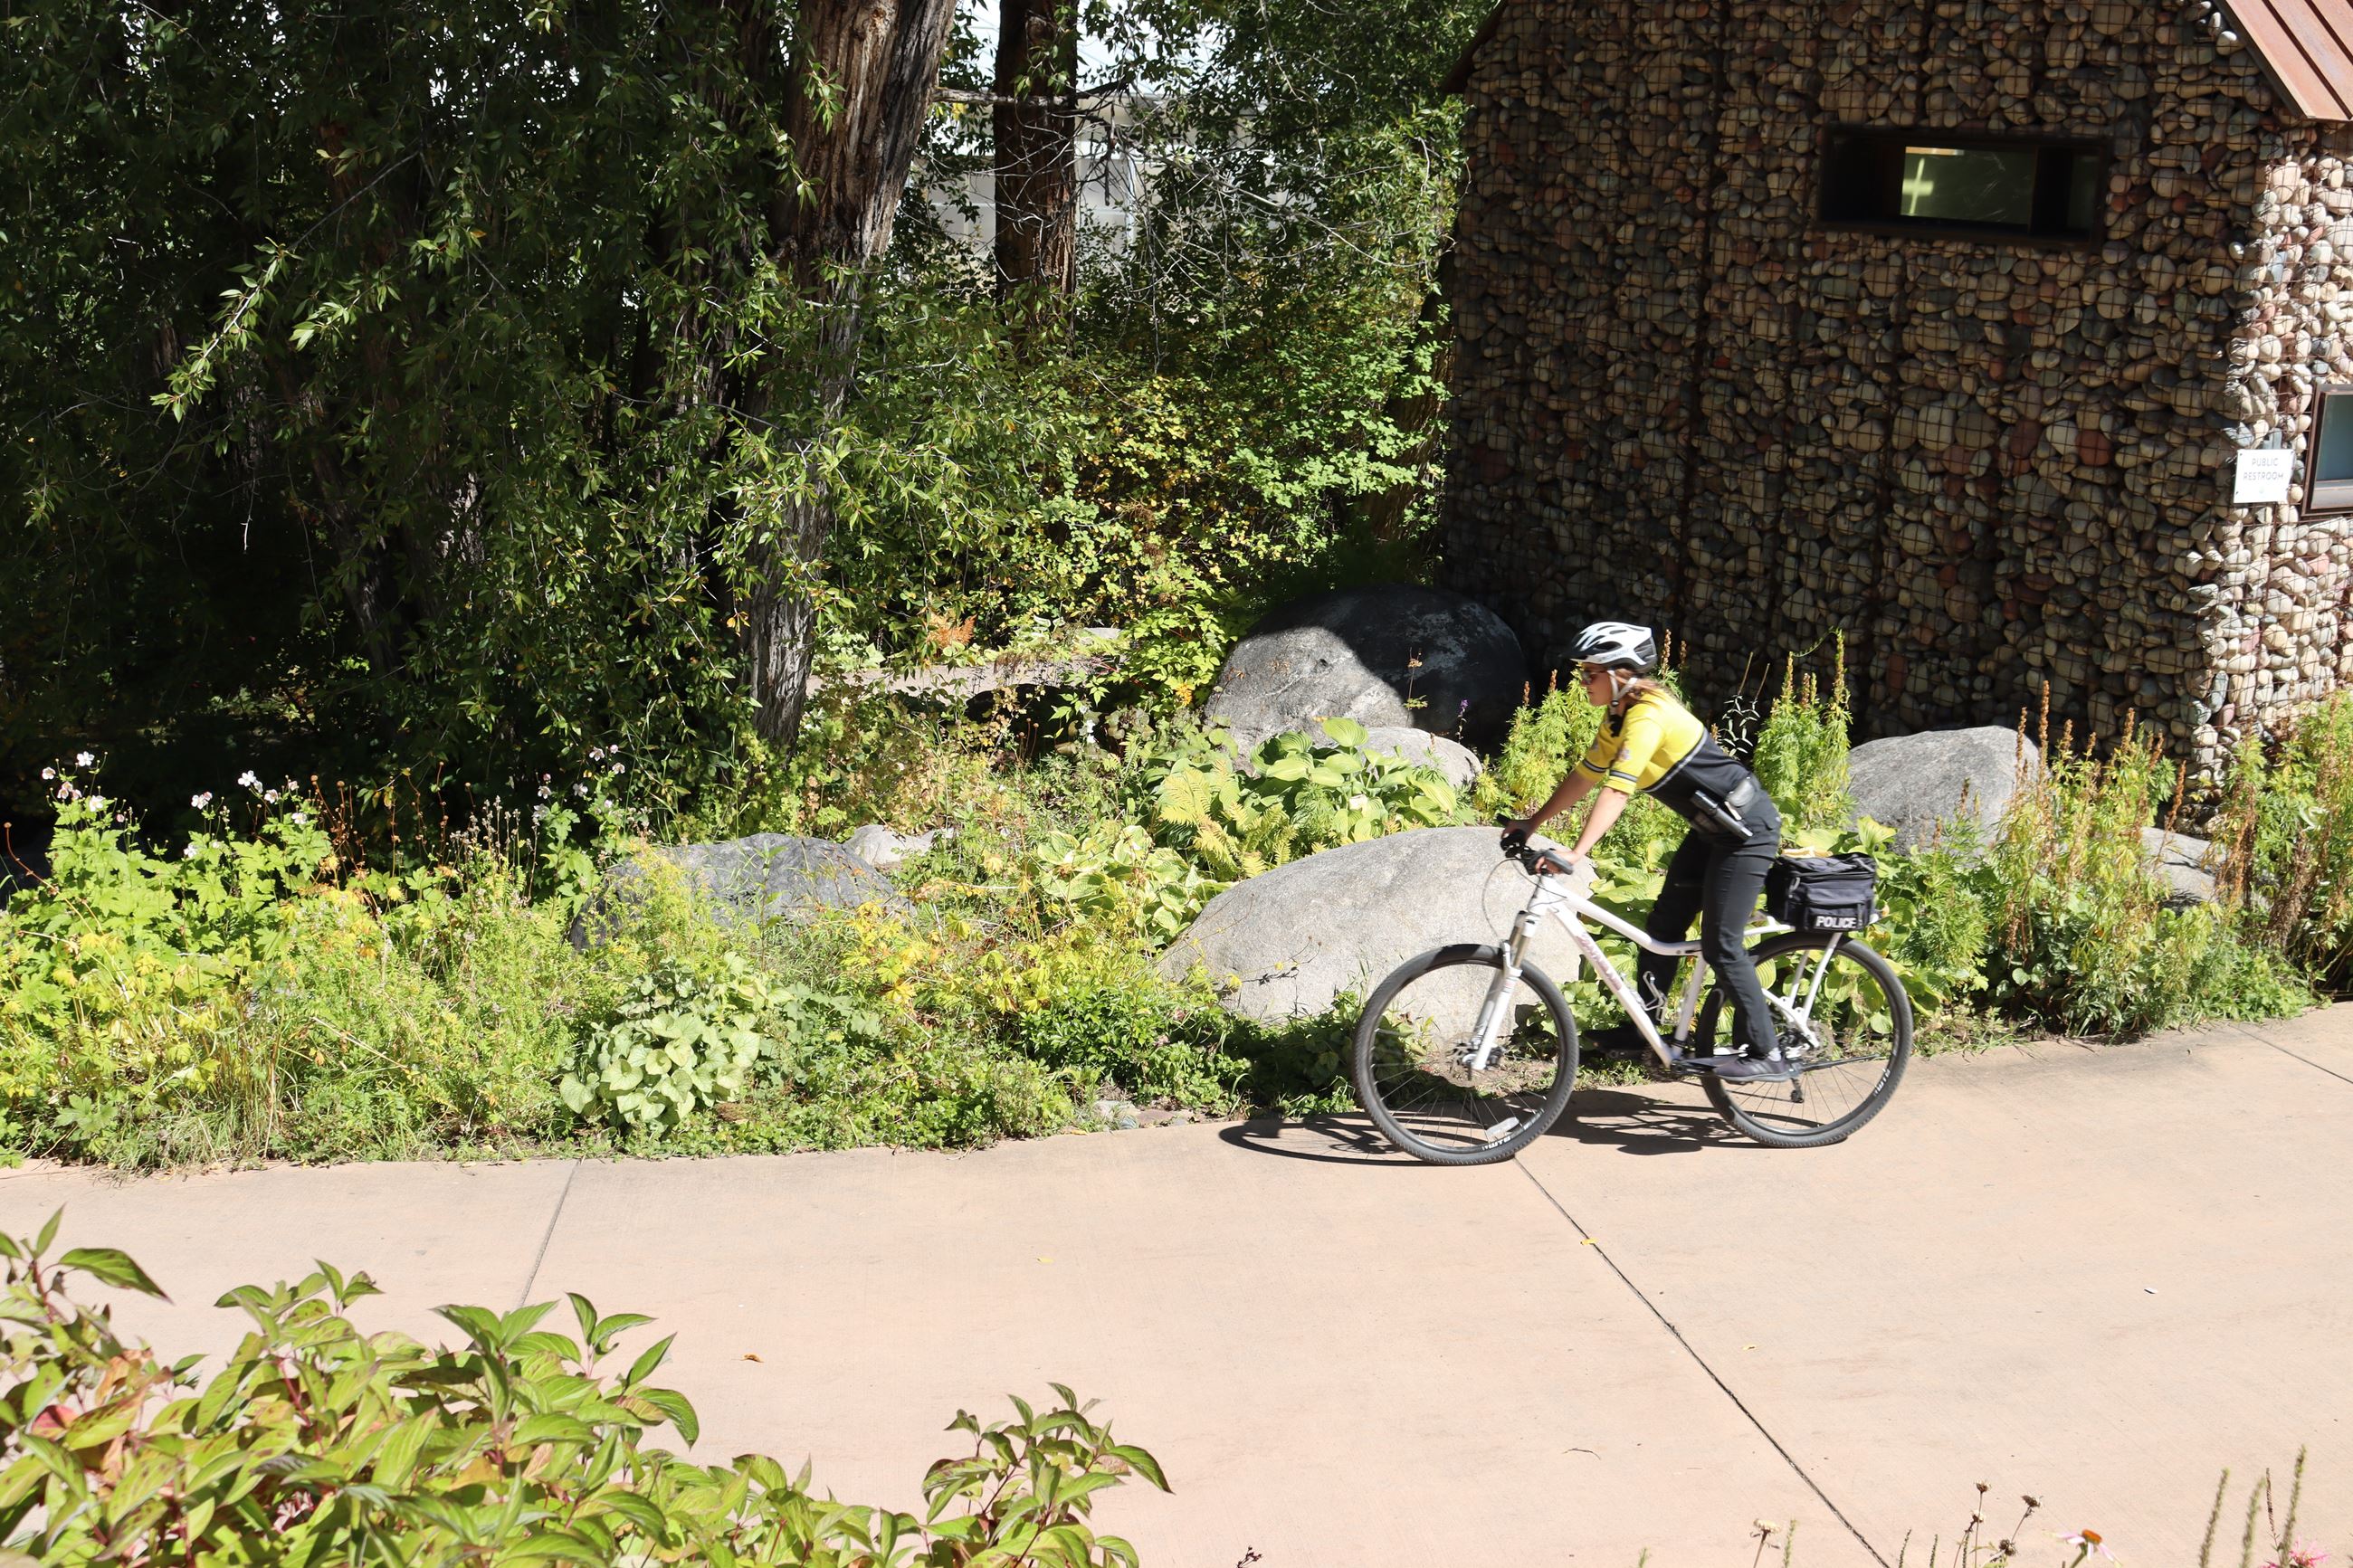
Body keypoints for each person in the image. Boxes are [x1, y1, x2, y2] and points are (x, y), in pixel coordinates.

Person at [1500, 621, 1790, 1080]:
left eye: (1590, 673)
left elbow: (1618, 788)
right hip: (1710, 831)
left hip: (1747, 833)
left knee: (1722, 944)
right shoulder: (1618, 715)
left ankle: (1768, 1051)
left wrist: (1575, 854)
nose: (1581, 681)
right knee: (1663, 927)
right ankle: (1646, 1028)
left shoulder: (1648, 716)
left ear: (1620, 673)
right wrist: (1532, 822)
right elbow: (1586, 775)